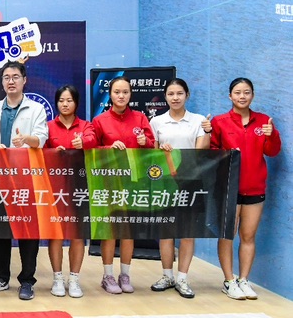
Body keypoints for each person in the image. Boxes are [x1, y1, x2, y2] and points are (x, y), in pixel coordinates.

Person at [0, 61, 49, 300]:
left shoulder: (36, 109)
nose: (11, 81)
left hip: (26, 178)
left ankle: (27, 280)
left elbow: (41, 139)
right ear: (2, 82)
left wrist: (26, 139)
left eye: (15, 77)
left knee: (28, 230)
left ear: (24, 80)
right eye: (6, 77)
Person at [211, 77, 281, 300]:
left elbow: (272, 151)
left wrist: (272, 135)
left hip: (255, 188)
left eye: (247, 92)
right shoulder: (219, 122)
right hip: (228, 189)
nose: (242, 96)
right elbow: (211, 153)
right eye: (238, 92)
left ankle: (244, 280)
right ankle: (229, 281)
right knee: (227, 236)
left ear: (252, 95)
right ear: (230, 96)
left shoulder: (264, 121)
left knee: (248, 236)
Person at [92, 76, 154, 294]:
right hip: (109, 182)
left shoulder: (140, 118)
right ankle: (108, 276)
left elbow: (152, 147)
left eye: (125, 92)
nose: (121, 96)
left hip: (134, 182)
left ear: (130, 94)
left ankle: (125, 275)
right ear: (110, 94)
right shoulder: (100, 120)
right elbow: (91, 149)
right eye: (117, 92)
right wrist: (107, 148)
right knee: (110, 230)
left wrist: (146, 142)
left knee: (128, 230)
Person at [147, 79, 209, 299]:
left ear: (187, 95)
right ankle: (167, 276)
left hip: (191, 181)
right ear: (165, 96)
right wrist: (161, 152)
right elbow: (152, 155)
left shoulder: (199, 120)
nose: (175, 98)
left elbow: (201, 152)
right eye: (171, 94)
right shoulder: (156, 122)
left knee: (187, 233)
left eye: (179, 93)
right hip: (165, 183)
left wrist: (208, 132)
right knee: (166, 232)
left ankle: (182, 278)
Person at [45, 85, 96, 298]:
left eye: (69, 100)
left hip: (79, 188)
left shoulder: (85, 125)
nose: (65, 104)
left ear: (76, 103)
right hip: (55, 188)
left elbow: (93, 140)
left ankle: (74, 278)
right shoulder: (48, 126)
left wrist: (83, 142)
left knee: (77, 234)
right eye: (61, 100)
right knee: (55, 233)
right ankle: (57, 278)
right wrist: (52, 152)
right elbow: (40, 152)